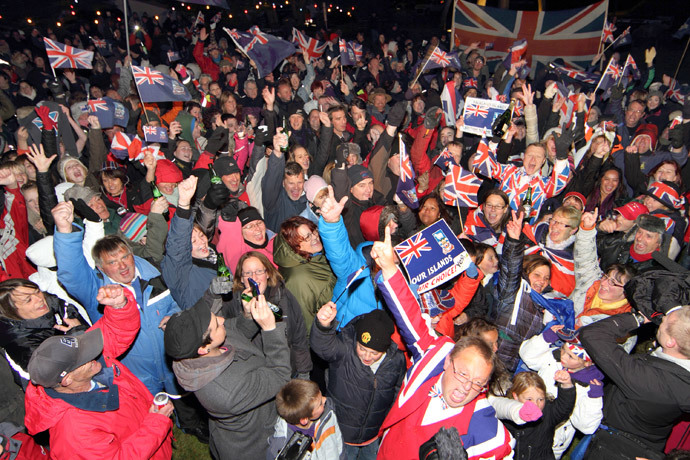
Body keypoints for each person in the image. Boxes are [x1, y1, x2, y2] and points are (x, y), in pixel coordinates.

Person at [370, 226, 514, 460]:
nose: (467, 387)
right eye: (463, 374)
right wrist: (388, 266)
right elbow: (410, 317)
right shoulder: (433, 359)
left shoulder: (485, 431)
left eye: (478, 383)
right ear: (448, 361)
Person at [23, 285, 174, 460]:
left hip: (156, 444)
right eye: (83, 357)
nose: (93, 353)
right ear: (67, 379)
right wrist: (156, 423)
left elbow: (112, 332)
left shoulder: (88, 365)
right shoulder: (73, 435)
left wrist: (119, 306)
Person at [164, 293, 291, 460]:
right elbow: (280, 375)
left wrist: (246, 316)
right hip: (254, 446)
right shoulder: (226, 391)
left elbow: (237, 331)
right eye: (216, 324)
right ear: (203, 349)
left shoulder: (201, 349)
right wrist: (270, 329)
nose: (222, 320)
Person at [580, 306, 690, 459]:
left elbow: (592, 334)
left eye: (665, 323)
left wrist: (637, 318)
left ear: (671, 342)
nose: (662, 319)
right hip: (649, 444)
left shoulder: (646, 379)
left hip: (613, 449)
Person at [311, 304, 406, 459]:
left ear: (385, 350)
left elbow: (396, 393)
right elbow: (322, 346)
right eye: (362, 348)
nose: (367, 357)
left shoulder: (396, 360)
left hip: (373, 435)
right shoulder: (345, 349)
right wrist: (322, 326)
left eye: (374, 353)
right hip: (341, 434)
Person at [519, 326, 604, 458]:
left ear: (587, 363)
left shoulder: (588, 386)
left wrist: (594, 397)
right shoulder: (553, 359)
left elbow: (587, 427)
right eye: (563, 349)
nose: (563, 356)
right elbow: (527, 356)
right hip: (526, 422)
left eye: (571, 356)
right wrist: (545, 338)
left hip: (554, 438)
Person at [224, 251, 311, 378]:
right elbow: (231, 340)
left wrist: (304, 374)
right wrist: (246, 315)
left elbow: (299, 338)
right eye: (248, 273)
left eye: (259, 271)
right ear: (241, 279)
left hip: (286, 371)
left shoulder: (284, 297)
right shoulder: (233, 302)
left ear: (268, 273)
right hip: (256, 377)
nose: (254, 277)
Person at [495, 211, 554, 372]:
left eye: (546, 278)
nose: (542, 281)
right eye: (537, 275)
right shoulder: (514, 290)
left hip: (516, 371)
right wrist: (514, 241)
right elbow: (510, 270)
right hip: (493, 360)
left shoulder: (547, 306)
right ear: (526, 273)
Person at [0, 278, 88, 384]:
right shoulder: (20, 343)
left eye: (37, 291)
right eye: (28, 300)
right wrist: (77, 336)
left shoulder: (56, 306)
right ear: (12, 311)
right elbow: (56, 376)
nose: (39, 299)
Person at [273, 216, 336, 334]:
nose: (314, 238)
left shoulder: (314, 256)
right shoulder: (298, 279)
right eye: (307, 237)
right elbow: (305, 323)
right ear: (294, 246)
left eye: (313, 232)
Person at [501, 371, 576, 460]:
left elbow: (564, 407)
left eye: (540, 399)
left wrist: (566, 385)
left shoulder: (547, 412)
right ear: (516, 396)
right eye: (529, 399)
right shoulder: (507, 413)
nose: (536, 404)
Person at [267, 379, 345, 460]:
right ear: (304, 420)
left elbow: (338, 442)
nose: (325, 399)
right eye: (320, 404)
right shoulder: (282, 445)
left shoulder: (327, 414)